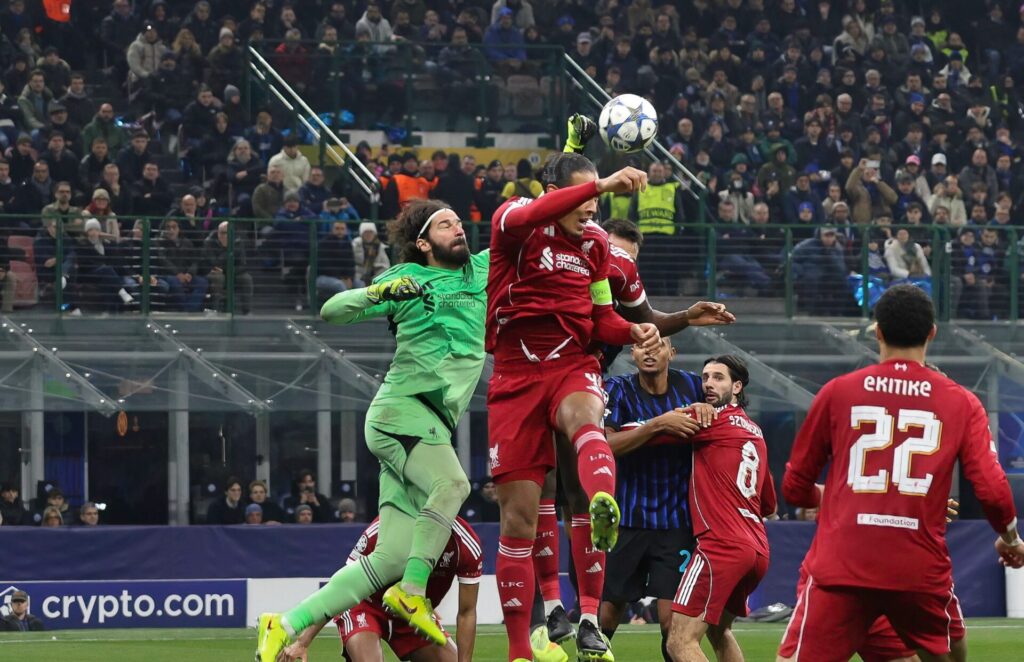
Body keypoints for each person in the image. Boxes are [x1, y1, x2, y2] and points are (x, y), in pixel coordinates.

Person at [257, 200, 487, 661]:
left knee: (389, 560)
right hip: (402, 413)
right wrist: (379, 294)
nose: (458, 228)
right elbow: (331, 311)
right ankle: (413, 593)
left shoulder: (480, 271)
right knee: (454, 483)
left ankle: (285, 623)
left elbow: (528, 226)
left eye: (459, 221)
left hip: (426, 426)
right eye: (445, 224)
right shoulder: (406, 277)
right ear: (423, 243)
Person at [777, 285, 1024, 662]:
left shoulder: (838, 392)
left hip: (844, 562)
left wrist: (840, 498)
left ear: (877, 332)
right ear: (932, 334)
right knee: (951, 651)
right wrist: (1009, 537)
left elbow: (794, 488)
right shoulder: (961, 401)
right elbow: (991, 488)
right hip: (918, 567)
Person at [486, 153, 660, 662]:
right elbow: (528, 215)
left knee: (585, 419)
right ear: (552, 191)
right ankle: (520, 649)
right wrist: (601, 182)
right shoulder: (514, 220)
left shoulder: (598, 245)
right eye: (583, 197)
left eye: (597, 200)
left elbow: (602, 318)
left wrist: (634, 330)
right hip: (515, 373)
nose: (592, 208)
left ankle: (604, 501)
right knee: (516, 520)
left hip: (570, 362)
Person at [599, 338, 710, 661]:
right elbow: (606, 445)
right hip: (627, 519)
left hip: (677, 523)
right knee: (607, 613)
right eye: (640, 346)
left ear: (671, 353)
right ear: (632, 353)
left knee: (672, 623)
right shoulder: (617, 388)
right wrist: (659, 424)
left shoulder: (692, 387)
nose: (649, 351)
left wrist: (710, 407)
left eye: (658, 345)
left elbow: (726, 416)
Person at [666, 355, 775, 662]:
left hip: (721, 545)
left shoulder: (708, 419)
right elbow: (769, 504)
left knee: (680, 642)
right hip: (757, 550)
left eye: (718, 377)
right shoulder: (756, 432)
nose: (708, 384)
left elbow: (655, 427)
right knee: (718, 632)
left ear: (737, 386)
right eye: (705, 377)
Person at [282, 517, 482, 662]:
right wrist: (303, 641)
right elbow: (341, 590)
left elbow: (467, 613)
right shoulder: (384, 528)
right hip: (365, 605)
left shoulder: (465, 544)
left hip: (412, 614)